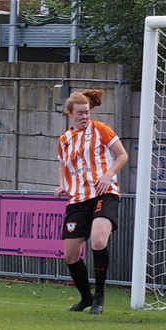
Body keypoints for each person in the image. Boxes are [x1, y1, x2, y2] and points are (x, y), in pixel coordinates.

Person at [54, 89, 129, 315]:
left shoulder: (101, 130)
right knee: (70, 254)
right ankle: (85, 296)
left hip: (104, 193)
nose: (84, 116)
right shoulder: (64, 140)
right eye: (79, 113)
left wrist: (108, 175)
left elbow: (122, 155)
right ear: (69, 114)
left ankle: (99, 296)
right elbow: (63, 166)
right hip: (77, 199)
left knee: (97, 240)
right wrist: (63, 185)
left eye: (86, 112)